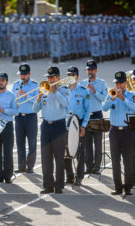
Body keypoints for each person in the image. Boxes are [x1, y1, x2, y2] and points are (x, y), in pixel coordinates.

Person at [33, 66, 70, 194]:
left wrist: (55, 91)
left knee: (59, 158)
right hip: (45, 126)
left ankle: (59, 186)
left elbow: (66, 104)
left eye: (52, 77)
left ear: (58, 78)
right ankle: (48, 185)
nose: (49, 79)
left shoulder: (64, 90)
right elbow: (35, 109)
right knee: (46, 157)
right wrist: (38, 98)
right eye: (48, 77)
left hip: (59, 126)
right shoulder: (44, 90)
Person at [102, 71, 135, 196]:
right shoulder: (111, 94)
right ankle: (118, 187)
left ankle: (128, 187)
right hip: (114, 131)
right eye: (116, 83)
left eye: (120, 83)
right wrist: (112, 99)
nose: (117, 85)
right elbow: (104, 108)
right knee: (115, 160)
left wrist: (123, 99)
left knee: (128, 160)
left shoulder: (131, 95)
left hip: (127, 131)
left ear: (125, 83)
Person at [0, 72, 19, 184]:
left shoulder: (11, 96)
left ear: (6, 82)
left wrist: (4, 111)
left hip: (7, 125)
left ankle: (8, 176)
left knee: (7, 152)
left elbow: (16, 111)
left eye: (2, 80)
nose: (0, 82)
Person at [64, 66, 91, 186]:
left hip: (79, 122)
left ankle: (79, 177)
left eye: (73, 75)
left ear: (78, 77)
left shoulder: (83, 91)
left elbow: (87, 110)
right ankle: (69, 176)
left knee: (79, 151)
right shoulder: (63, 89)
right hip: (65, 122)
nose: (71, 77)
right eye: (69, 75)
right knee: (66, 150)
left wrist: (83, 126)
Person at [81, 60, 107, 175]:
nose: (90, 71)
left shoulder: (101, 83)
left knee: (98, 143)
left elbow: (104, 98)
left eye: (92, 69)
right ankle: (89, 167)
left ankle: (97, 167)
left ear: (96, 70)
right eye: (88, 69)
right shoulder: (82, 83)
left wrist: (94, 90)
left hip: (97, 114)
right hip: (86, 115)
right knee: (87, 143)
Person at [12, 64, 39, 173]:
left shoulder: (35, 85)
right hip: (19, 117)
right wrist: (16, 97)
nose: (22, 77)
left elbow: (37, 101)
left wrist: (25, 96)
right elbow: (12, 100)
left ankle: (30, 166)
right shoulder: (16, 85)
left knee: (31, 142)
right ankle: (21, 166)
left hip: (31, 117)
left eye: (24, 74)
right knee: (20, 142)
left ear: (29, 74)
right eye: (21, 75)